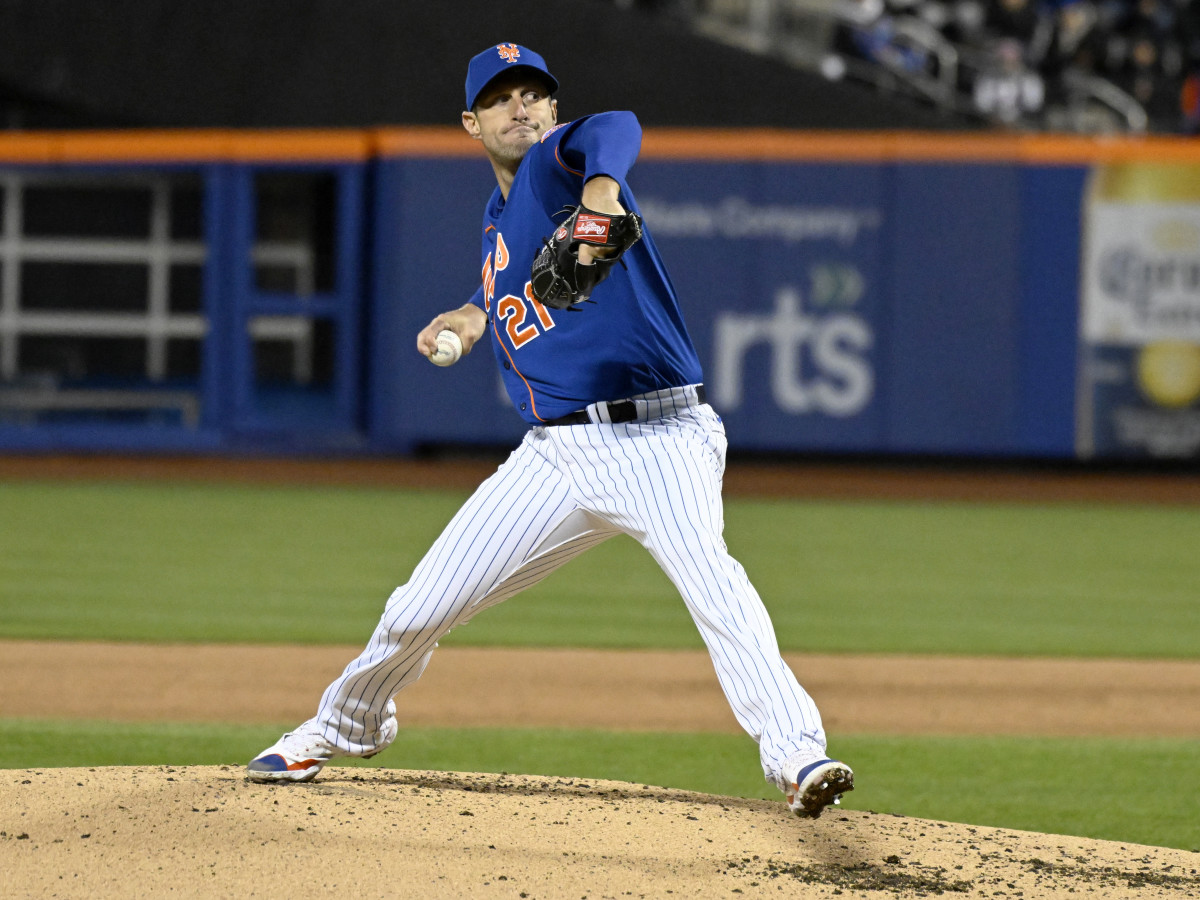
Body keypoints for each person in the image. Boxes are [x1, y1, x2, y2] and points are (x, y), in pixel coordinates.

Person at [246, 41, 854, 819]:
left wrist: (601, 192)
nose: (521, 107)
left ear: (554, 111)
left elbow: (619, 126)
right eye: (502, 98)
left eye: (534, 94)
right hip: (557, 454)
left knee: (712, 580)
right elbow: (508, 285)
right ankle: (343, 722)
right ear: (471, 122)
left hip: (659, 438)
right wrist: (471, 317)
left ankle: (798, 754)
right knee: (418, 606)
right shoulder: (499, 221)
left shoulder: (559, 167)